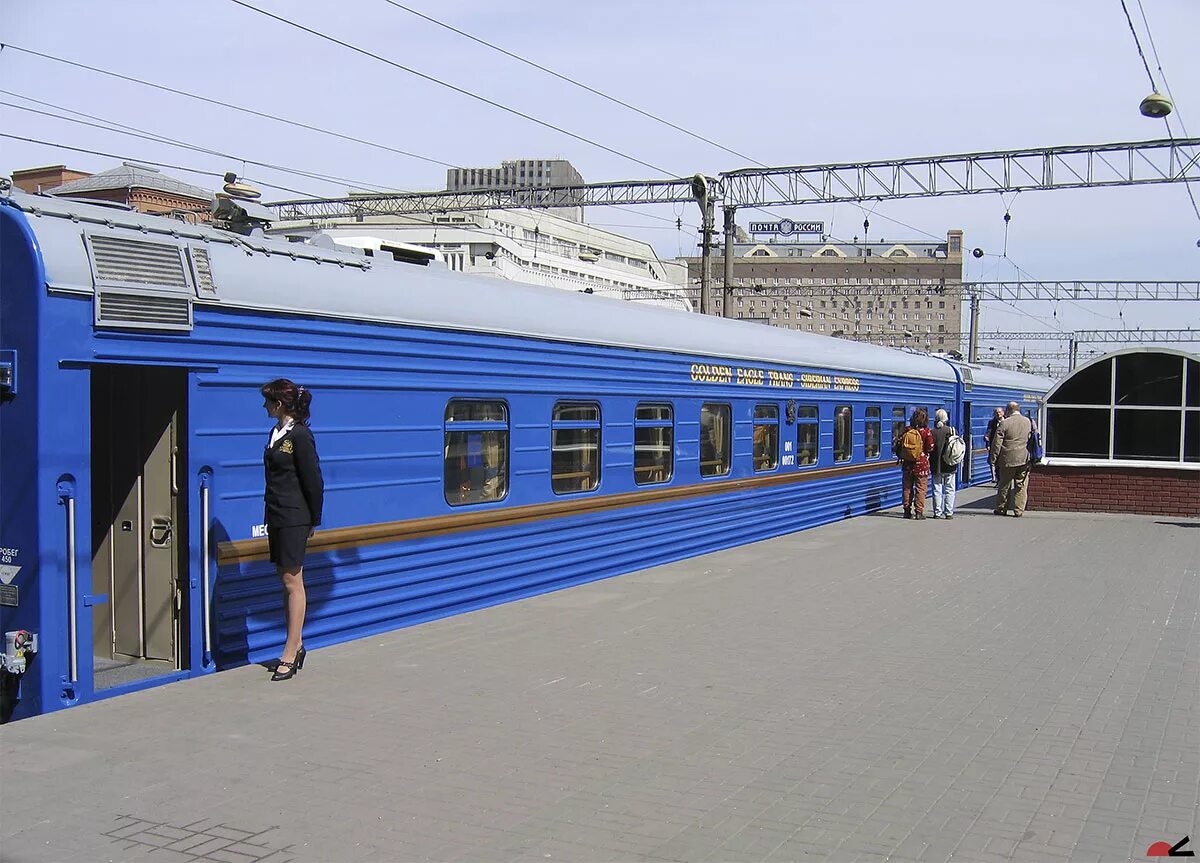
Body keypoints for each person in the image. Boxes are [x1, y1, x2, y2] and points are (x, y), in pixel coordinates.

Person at [261, 378, 324, 681]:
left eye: (268, 401)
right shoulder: (276, 433)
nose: (265, 406)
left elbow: (313, 480)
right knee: (284, 578)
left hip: (294, 517)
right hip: (277, 515)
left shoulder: (300, 436)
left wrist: (314, 519)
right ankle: (295, 644)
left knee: (292, 580)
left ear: (280, 404)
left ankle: (291, 650)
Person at [990, 401, 1032, 517]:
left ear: (1008, 410)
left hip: (1007, 460)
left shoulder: (1004, 423)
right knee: (1021, 486)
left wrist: (993, 459)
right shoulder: (1027, 422)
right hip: (1024, 459)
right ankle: (1019, 510)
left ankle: (1002, 508)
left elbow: (997, 443)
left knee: (1004, 485)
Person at [898, 407, 935, 520]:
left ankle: (906, 511)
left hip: (907, 464)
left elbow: (899, 444)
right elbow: (930, 447)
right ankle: (919, 512)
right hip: (921, 465)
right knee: (920, 488)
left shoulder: (907, 430)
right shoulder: (926, 432)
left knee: (907, 488)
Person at [929, 408, 957, 519]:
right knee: (950, 489)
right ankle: (949, 513)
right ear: (946, 418)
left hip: (936, 465)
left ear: (936, 419)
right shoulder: (951, 431)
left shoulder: (932, 432)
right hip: (950, 464)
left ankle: (937, 512)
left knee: (937, 489)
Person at [984, 407, 1004, 485]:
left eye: (999, 412)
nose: (998, 414)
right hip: (994, 446)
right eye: (996, 412)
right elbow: (988, 433)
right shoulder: (992, 423)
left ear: (1003, 412)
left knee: (1002, 464)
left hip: (1004, 446)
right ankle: (997, 480)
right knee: (995, 463)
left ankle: (1001, 480)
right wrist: (987, 442)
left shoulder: (1007, 422)